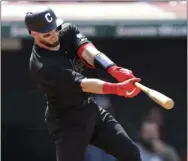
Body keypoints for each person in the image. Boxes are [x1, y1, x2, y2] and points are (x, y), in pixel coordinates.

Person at [25, 7, 142, 161]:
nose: (54, 35)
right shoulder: (41, 65)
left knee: (131, 153)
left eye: (55, 29)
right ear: (34, 33)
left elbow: (87, 50)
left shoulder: (67, 30)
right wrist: (117, 89)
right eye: (47, 33)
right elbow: (83, 83)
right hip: (67, 120)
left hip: (90, 109)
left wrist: (113, 69)